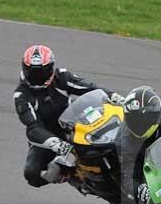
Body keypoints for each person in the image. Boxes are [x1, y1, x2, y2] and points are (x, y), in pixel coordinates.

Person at [13, 44, 124, 187]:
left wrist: (114, 96)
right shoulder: (21, 96)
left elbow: (89, 87)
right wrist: (56, 144)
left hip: (74, 124)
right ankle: (69, 174)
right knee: (32, 173)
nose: (37, 78)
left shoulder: (61, 77)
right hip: (48, 136)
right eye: (32, 73)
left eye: (41, 73)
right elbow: (32, 128)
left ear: (51, 69)